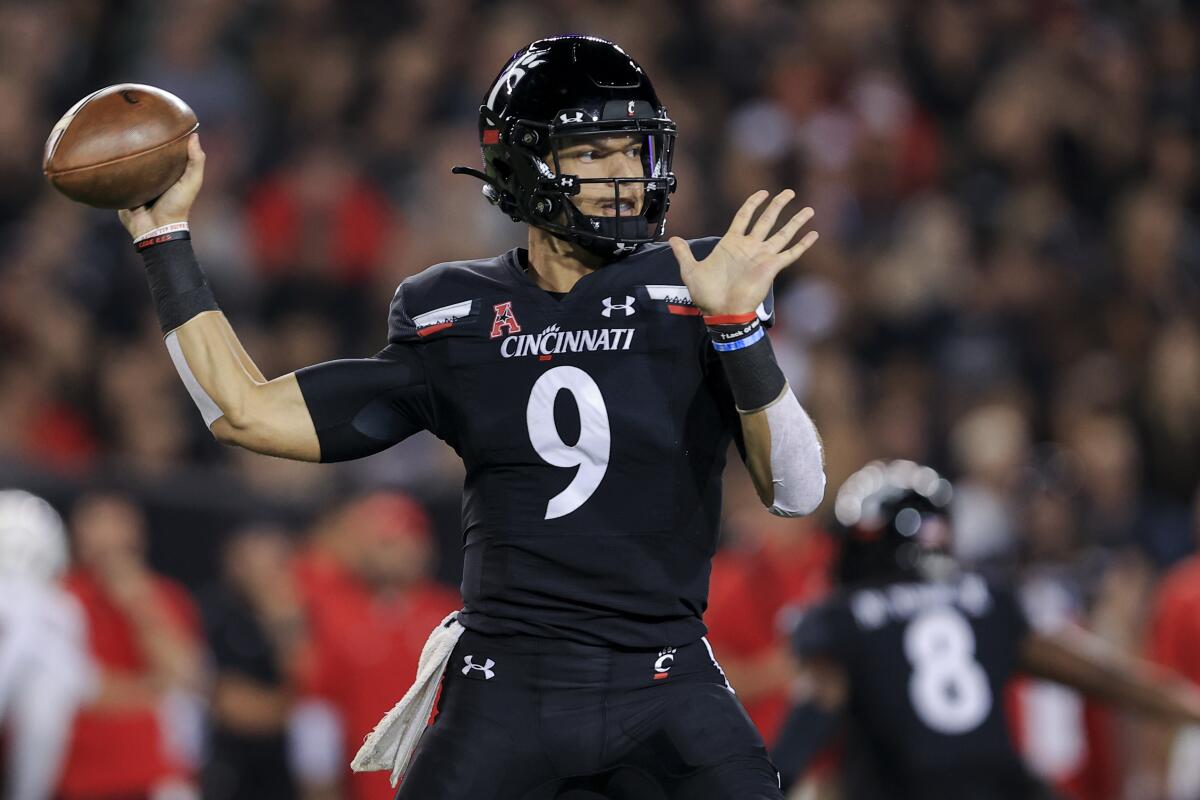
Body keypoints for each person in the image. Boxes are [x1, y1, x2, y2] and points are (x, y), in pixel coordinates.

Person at [114, 35, 825, 799]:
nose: (627, 174)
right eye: (595, 152)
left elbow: (798, 490)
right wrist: (167, 243)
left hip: (664, 673)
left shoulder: (699, 283)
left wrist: (737, 329)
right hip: (505, 684)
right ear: (522, 164)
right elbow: (245, 414)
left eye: (635, 150)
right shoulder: (453, 311)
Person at [772, 460, 1200, 800]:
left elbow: (815, 708)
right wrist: (1183, 702)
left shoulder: (842, 616)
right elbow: (1096, 674)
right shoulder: (987, 598)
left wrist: (768, 783)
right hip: (1001, 785)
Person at [294, 492, 460, 800]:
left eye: (400, 540)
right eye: (380, 542)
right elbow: (319, 706)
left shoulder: (452, 612)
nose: (392, 552)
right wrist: (318, 782)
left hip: (446, 778)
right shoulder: (337, 611)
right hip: (365, 784)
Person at [58, 493, 205, 800]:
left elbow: (187, 676)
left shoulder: (165, 595)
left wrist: (139, 604)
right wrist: (151, 689)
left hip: (154, 771)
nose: (107, 536)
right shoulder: (61, 595)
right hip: (75, 772)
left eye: (117, 523)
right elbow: (79, 688)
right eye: (95, 523)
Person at [0, 489, 96, 800]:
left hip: (34, 764)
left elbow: (77, 685)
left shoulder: (60, 609)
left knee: (46, 702)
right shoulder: (60, 608)